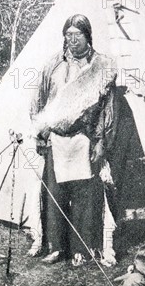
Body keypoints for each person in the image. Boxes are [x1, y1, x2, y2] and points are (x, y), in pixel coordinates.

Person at [30, 14, 118, 266]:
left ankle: (81, 248)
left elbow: (107, 110)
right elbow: (39, 100)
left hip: (84, 138)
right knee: (54, 195)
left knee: (84, 197)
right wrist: (40, 133)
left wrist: (101, 142)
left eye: (77, 35)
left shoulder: (101, 67)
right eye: (68, 35)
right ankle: (56, 247)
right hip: (57, 140)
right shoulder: (54, 66)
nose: (72, 40)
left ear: (87, 36)